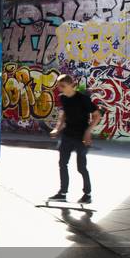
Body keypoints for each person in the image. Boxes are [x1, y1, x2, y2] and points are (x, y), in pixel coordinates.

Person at [48, 74, 102, 204]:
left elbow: (97, 116)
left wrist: (88, 132)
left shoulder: (83, 99)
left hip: (81, 136)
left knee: (81, 167)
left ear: (71, 85)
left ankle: (87, 194)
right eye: (59, 86)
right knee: (62, 163)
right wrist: (57, 128)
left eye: (63, 86)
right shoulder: (63, 98)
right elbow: (63, 113)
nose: (60, 89)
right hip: (67, 135)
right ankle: (62, 193)